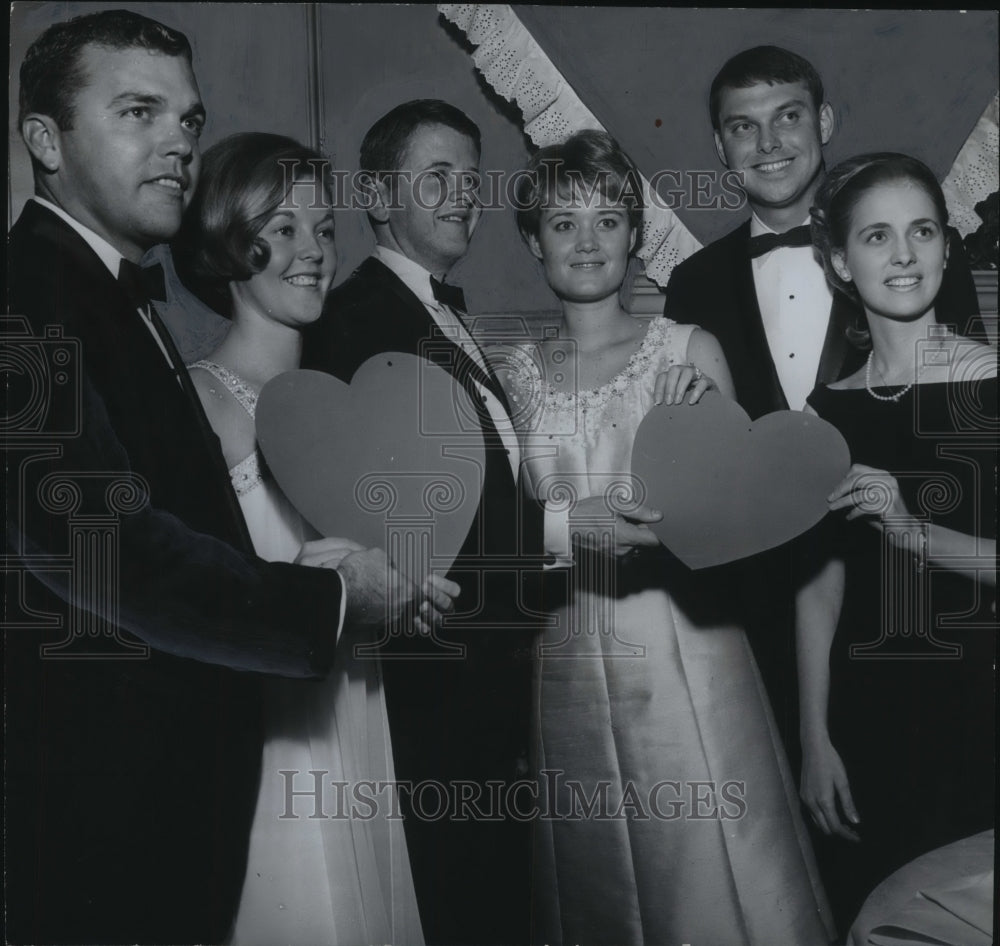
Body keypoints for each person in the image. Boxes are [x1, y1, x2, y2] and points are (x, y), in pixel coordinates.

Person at [4, 12, 437, 944]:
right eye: (137, 112)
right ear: (45, 138)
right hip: (104, 810)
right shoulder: (25, 297)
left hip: (180, 784)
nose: (176, 145)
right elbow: (100, 548)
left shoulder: (109, 287)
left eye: (189, 121)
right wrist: (327, 604)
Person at [302, 100, 663, 946]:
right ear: (378, 197)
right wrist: (568, 530)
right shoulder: (358, 323)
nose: (462, 193)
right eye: (437, 176)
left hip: (491, 677)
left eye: (470, 176)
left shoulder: (436, 313)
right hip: (436, 682)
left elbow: (483, 485)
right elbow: (420, 523)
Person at [499, 129, 835, 946]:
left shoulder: (687, 350)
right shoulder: (506, 373)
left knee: (711, 875)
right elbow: (499, 537)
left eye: (608, 220)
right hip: (558, 668)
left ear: (633, 236)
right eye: (563, 221)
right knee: (591, 883)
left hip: (688, 658)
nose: (587, 241)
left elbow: (744, 528)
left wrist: (701, 436)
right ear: (532, 238)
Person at [661, 45, 982, 754]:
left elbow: (964, 444)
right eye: (744, 127)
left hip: (939, 610)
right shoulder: (693, 285)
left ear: (825, 121)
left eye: (788, 117)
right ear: (719, 147)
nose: (769, 143)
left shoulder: (916, 258)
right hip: (760, 617)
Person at [175, 132, 444, 945]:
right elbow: (185, 598)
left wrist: (407, 595)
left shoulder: (341, 403)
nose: (313, 252)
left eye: (325, 230)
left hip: (357, 703)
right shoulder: (195, 402)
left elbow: (375, 560)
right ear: (231, 238)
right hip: (266, 725)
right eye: (283, 228)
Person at [798, 152, 996, 934]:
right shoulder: (823, 412)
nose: (904, 254)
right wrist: (814, 736)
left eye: (921, 231)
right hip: (868, 712)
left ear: (948, 248)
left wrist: (912, 531)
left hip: (981, 703)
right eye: (877, 236)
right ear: (841, 261)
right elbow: (817, 583)